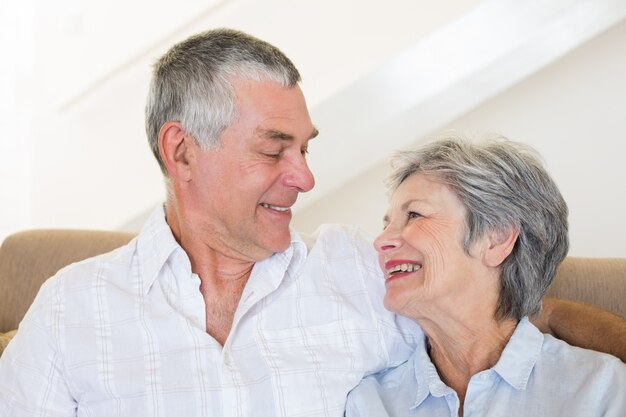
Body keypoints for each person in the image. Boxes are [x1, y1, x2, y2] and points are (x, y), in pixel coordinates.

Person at [0, 29, 623, 417]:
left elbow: (506, 318)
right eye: (274, 149)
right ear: (182, 151)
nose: (305, 177)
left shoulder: (357, 272)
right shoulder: (70, 309)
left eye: (306, 147)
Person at [345, 135, 626, 417]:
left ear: (496, 239)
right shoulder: (369, 403)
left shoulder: (600, 390)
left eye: (415, 215)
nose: (381, 241)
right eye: (386, 224)